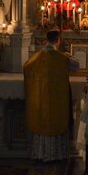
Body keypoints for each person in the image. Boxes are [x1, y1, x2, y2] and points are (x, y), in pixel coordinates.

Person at [24, 30, 79, 162]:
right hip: (57, 98)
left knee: (42, 121)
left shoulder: (36, 57)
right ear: (58, 40)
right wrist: (68, 55)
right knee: (56, 120)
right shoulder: (63, 58)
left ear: (46, 39)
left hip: (41, 97)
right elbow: (76, 66)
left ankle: (40, 153)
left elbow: (26, 68)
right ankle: (55, 154)